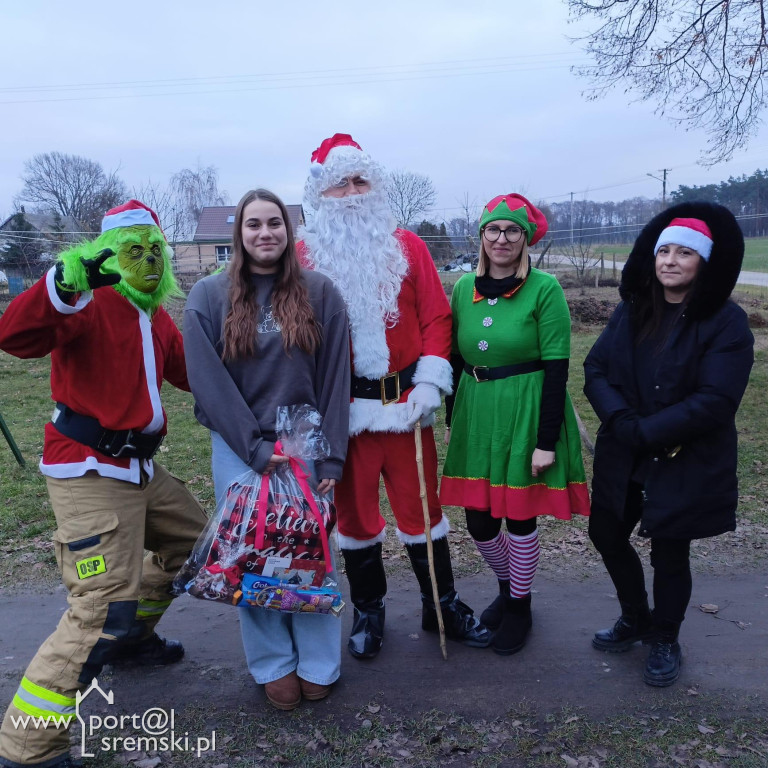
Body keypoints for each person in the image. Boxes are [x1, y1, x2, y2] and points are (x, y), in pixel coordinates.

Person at [0, 200, 208, 768]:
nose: (144, 259)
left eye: (152, 250)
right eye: (131, 249)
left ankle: (133, 641)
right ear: (109, 253)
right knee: (98, 610)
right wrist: (62, 287)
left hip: (139, 470)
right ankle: (27, 745)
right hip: (89, 470)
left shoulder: (155, 314)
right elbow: (14, 336)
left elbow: (193, 375)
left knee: (198, 548)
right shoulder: (87, 301)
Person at [298, 133, 490, 660]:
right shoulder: (303, 256)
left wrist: (430, 382)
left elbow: (435, 315)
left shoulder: (407, 246)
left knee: (421, 512)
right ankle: (369, 611)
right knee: (355, 519)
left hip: (407, 407)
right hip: (343, 417)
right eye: (341, 184)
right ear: (322, 193)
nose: (354, 192)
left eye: (361, 180)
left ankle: (441, 604)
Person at [183, 189, 350, 711]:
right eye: (253, 225)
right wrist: (253, 448)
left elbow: (334, 377)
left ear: (288, 230)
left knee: (308, 554)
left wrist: (332, 455)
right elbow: (209, 383)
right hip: (241, 447)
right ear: (239, 233)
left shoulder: (320, 293)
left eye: (274, 223)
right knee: (253, 554)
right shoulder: (208, 298)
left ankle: (318, 662)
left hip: (305, 444)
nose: (265, 233)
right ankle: (273, 663)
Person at [584, 202, 754, 687]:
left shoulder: (726, 322)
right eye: (663, 251)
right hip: (625, 449)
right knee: (607, 533)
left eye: (684, 252)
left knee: (669, 552)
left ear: (703, 262)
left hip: (683, 457)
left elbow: (715, 400)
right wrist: (623, 422)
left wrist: (647, 431)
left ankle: (665, 636)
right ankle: (636, 616)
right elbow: (595, 369)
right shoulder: (632, 310)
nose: (670, 261)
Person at [440, 193, 590, 655]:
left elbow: (557, 369)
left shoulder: (545, 289)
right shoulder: (463, 288)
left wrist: (547, 441)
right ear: (481, 236)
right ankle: (508, 589)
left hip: (526, 409)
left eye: (512, 231)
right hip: (476, 410)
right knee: (480, 521)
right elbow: (453, 356)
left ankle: (520, 606)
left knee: (519, 517)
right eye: (493, 229)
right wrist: (451, 420)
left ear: (525, 239)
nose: (501, 238)